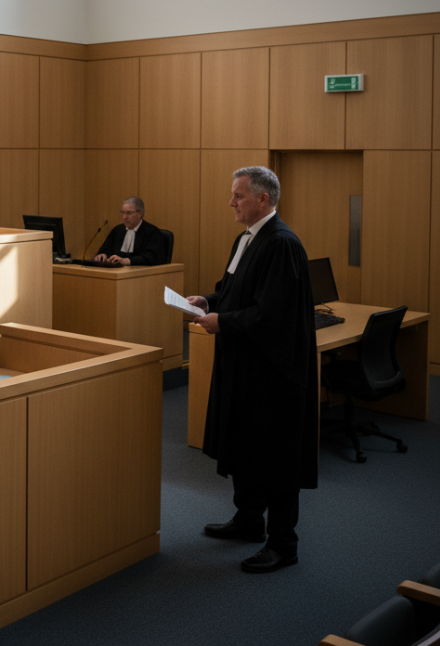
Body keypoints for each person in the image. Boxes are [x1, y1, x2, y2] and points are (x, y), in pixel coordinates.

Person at [187, 166, 317, 574]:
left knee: (274, 455)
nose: (231, 203)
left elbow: (271, 315)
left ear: (262, 199)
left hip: (272, 372)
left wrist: (222, 322)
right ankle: (248, 520)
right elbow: (233, 291)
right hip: (244, 364)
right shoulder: (246, 239)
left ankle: (283, 544)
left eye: (238, 196)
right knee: (243, 443)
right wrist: (210, 302)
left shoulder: (281, 244)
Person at [94, 196, 167, 266]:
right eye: (122, 212)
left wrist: (127, 261)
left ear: (140, 213)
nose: (124, 217)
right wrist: (102, 255)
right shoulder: (118, 230)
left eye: (129, 213)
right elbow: (105, 250)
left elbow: (152, 258)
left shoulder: (152, 232)